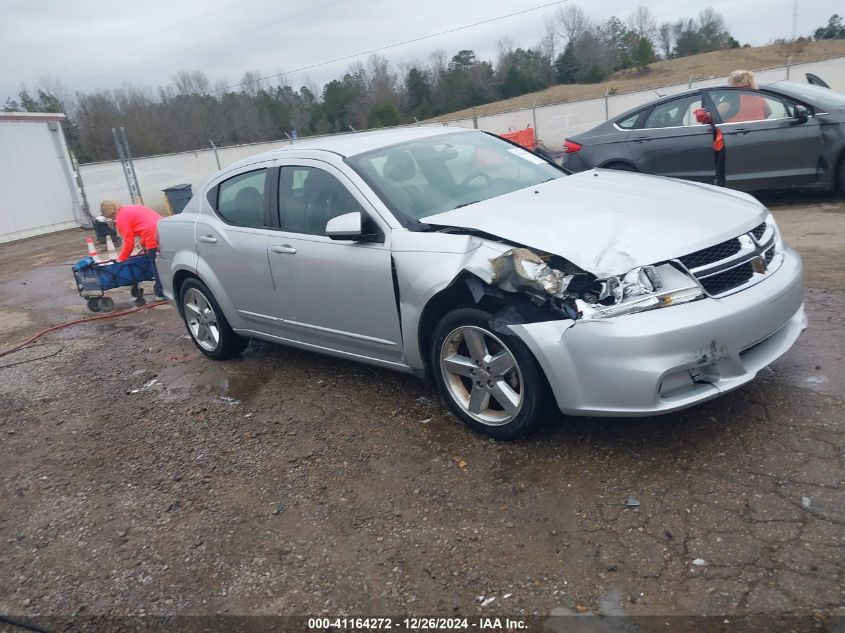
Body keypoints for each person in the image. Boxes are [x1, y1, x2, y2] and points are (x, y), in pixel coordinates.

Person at [99, 200, 163, 298]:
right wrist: (142, 243)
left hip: (152, 236)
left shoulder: (121, 219)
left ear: (110, 215)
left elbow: (129, 243)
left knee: (156, 266)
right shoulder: (129, 208)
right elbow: (146, 222)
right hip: (163, 228)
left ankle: (161, 293)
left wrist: (121, 258)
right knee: (165, 263)